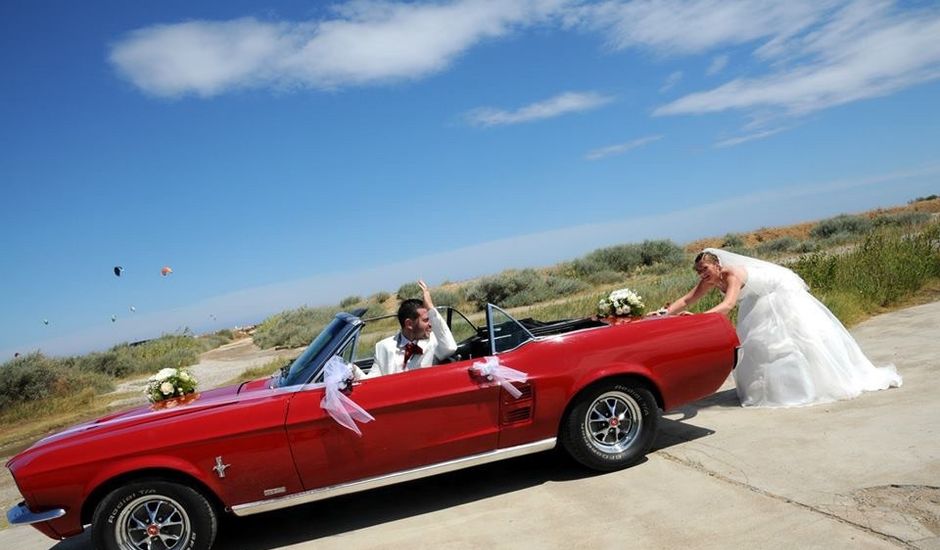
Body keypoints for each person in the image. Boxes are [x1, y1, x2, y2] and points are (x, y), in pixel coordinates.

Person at [660, 248, 901, 407]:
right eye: (698, 271)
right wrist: (662, 314)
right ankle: (774, 390)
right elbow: (687, 299)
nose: (702, 274)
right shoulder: (710, 280)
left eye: (705, 269)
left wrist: (696, 320)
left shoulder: (731, 273)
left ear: (717, 265)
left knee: (787, 341)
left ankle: (811, 385)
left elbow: (729, 304)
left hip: (779, 294)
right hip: (757, 298)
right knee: (756, 344)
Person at [358, 280, 457, 379]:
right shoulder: (383, 347)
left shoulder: (434, 342)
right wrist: (354, 371)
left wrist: (431, 308)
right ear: (409, 324)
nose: (431, 325)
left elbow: (450, 347)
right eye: (426, 320)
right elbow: (372, 380)